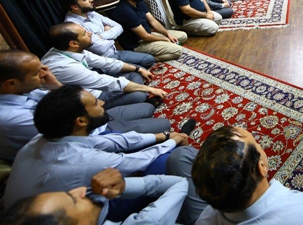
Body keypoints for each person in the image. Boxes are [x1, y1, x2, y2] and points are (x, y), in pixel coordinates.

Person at [3, 85, 189, 208]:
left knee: (111, 137)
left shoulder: (44, 138)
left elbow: (110, 141)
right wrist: (173, 141)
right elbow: (138, 161)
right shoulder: (84, 162)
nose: (102, 103)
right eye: (95, 103)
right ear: (81, 121)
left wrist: (162, 136)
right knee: (166, 159)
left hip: (38, 207)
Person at [0, 52, 170, 161]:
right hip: (89, 138)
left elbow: (70, 103)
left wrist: (55, 85)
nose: (45, 73)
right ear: (11, 83)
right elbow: (79, 136)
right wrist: (159, 138)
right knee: (163, 125)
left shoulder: (25, 90)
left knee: (146, 108)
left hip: (88, 121)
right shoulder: (11, 118)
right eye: (38, 72)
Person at [0, 169, 197, 225]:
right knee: (181, 157)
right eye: (73, 200)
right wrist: (124, 186)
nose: (80, 190)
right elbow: (179, 184)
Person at [41, 22, 168, 109]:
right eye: (84, 33)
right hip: (88, 100)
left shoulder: (70, 49)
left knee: (135, 73)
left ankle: (135, 99)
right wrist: (149, 89)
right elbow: (107, 83)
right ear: (73, 43)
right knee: (138, 94)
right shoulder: (65, 66)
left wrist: (138, 68)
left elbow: (106, 62)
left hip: (92, 86)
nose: (90, 34)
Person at [56, 0, 155, 68]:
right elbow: (100, 48)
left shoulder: (90, 12)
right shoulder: (73, 25)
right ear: (75, 7)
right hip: (103, 60)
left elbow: (119, 27)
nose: (91, 0)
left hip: (115, 52)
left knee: (149, 59)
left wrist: (101, 36)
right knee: (138, 70)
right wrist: (112, 36)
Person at [110, 0, 187, 62]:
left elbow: (153, 21)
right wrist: (165, 39)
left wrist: (168, 34)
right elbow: (145, 37)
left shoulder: (138, 1)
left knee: (183, 36)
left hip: (148, 35)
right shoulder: (125, 11)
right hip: (137, 44)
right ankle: (145, 58)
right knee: (177, 51)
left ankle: (159, 47)